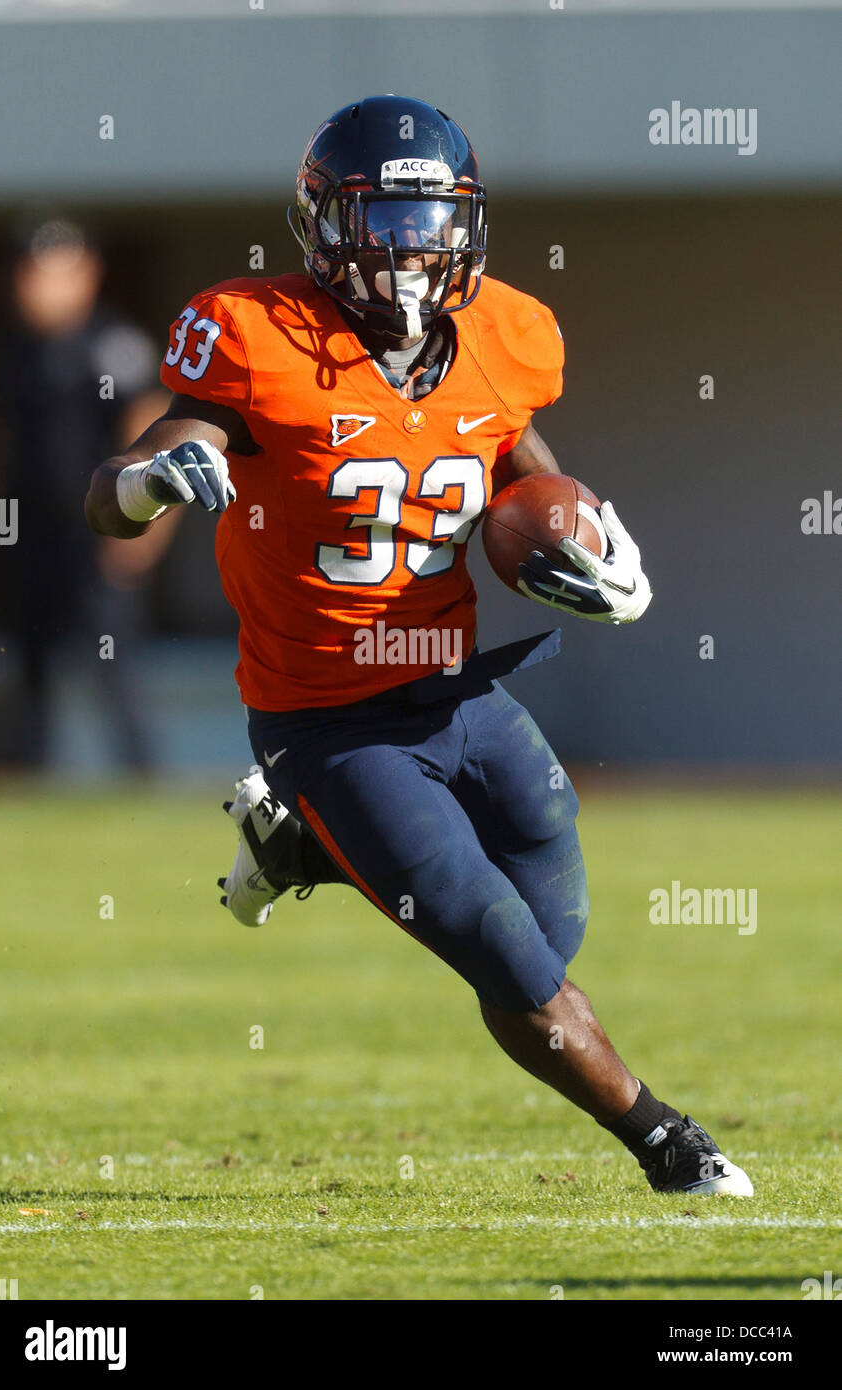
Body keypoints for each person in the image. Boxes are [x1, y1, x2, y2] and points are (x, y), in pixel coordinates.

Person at [85, 96, 752, 1195]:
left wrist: (589, 545)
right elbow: (109, 498)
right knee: (505, 957)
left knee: (551, 926)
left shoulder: (508, 335)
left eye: (432, 214)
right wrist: (153, 479)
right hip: (326, 714)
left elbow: (521, 476)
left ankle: (295, 845)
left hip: (454, 689)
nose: (411, 243)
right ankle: (673, 1148)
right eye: (384, 213)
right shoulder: (258, 338)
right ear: (326, 225)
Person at [0, 215, 174, 768]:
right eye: (30, 273)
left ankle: (143, 784)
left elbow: (155, 436)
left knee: (115, 671)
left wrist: (143, 534)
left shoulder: (114, 346)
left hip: (102, 537)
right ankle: (25, 788)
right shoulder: (17, 354)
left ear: (87, 274)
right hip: (34, 540)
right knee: (27, 674)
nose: (38, 286)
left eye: (53, 272)